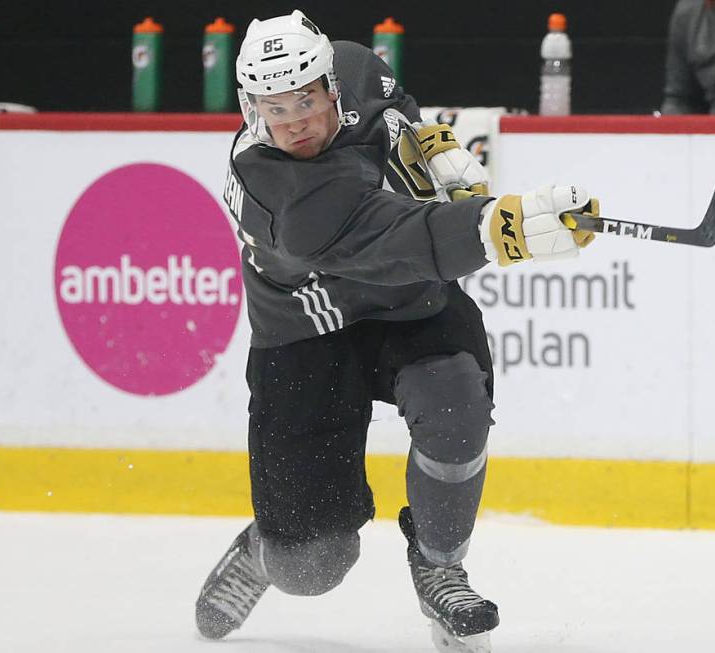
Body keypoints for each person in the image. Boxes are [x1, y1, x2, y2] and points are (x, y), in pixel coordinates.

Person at [193, 10, 599, 652]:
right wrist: (499, 230)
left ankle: (440, 568)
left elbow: (396, 105)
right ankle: (264, 555)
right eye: (275, 106)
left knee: (457, 402)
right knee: (314, 565)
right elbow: (403, 238)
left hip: (404, 301)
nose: (294, 119)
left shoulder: (355, 65)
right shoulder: (281, 194)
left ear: (330, 83)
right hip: (307, 330)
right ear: (251, 108)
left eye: (305, 97)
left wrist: (434, 144)